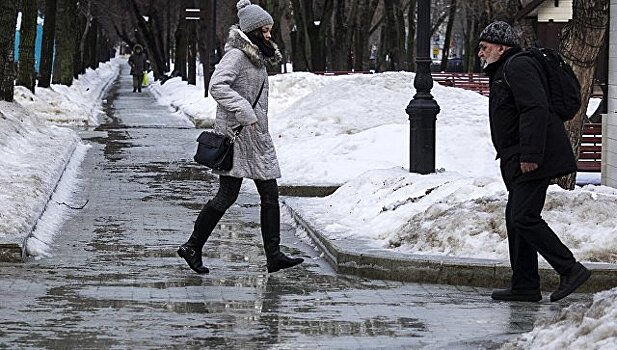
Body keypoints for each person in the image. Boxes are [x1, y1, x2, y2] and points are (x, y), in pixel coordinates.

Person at [177, 0, 304, 274]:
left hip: (255, 138)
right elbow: (216, 85)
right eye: (266, 30)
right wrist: (245, 110)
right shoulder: (237, 56)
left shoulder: (254, 55)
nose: (270, 35)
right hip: (238, 137)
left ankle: (272, 255)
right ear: (253, 31)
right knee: (229, 196)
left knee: (266, 194)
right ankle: (193, 246)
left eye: (270, 30)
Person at [478, 21, 590, 302]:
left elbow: (534, 108)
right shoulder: (506, 69)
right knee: (515, 219)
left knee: (523, 217)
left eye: (484, 47)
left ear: (501, 47)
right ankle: (525, 285)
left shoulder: (517, 66)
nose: (480, 53)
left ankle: (570, 269)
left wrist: (530, 155)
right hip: (519, 156)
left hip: (534, 156)